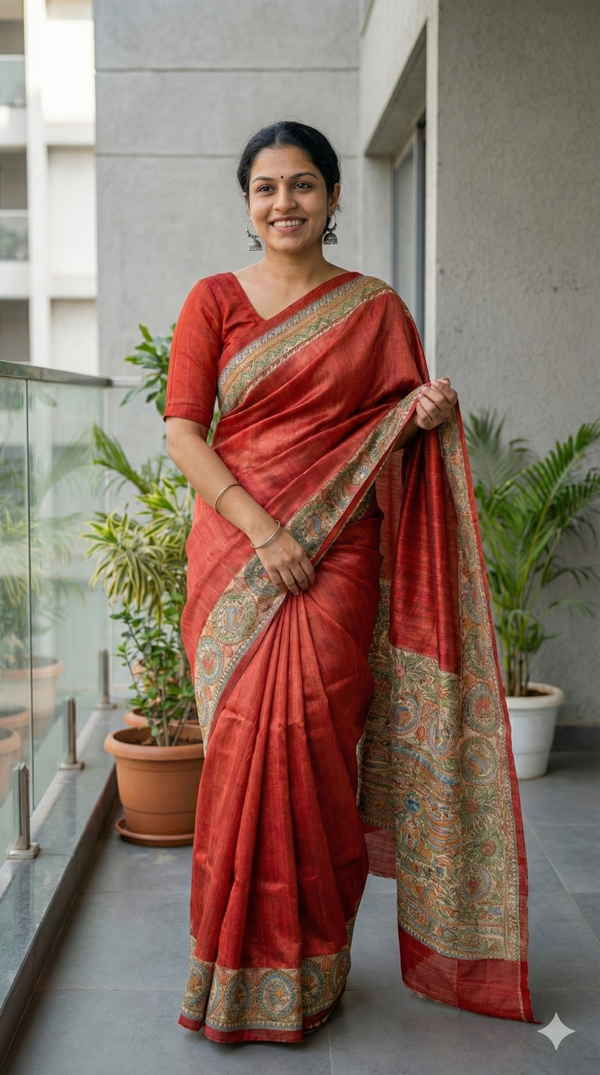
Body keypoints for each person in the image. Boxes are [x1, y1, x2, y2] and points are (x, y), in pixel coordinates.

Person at [164, 121, 534, 1044]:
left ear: (332, 196)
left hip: (338, 555)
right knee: (242, 753)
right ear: (247, 203)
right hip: (238, 558)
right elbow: (183, 431)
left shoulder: (375, 310)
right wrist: (264, 532)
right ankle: (231, 971)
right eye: (265, 187)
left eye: (302, 184)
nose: (283, 202)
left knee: (317, 745)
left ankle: (310, 969)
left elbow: (390, 434)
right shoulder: (214, 301)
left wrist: (425, 413)